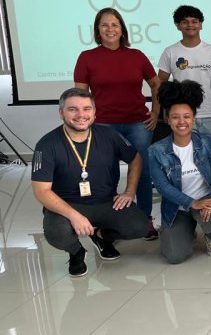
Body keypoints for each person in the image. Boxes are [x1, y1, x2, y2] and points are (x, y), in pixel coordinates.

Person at [31, 88, 149, 277]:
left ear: (94, 113)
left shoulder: (109, 135)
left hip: (106, 201)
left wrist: (129, 191)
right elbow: (41, 191)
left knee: (140, 227)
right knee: (56, 234)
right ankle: (76, 252)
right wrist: (74, 215)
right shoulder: (46, 145)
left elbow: (135, 158)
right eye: (73, 109)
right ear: (61, 113)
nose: (81, 115)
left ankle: (100, 236)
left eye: (86, 109)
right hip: (67, 205)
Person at [74, 7, 160, 239]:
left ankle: (145, 220)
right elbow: (80, 95)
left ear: (122, 29)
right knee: (106, 176)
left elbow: (156, 84)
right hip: (103, 126)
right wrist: (85, 120)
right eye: (104, 25)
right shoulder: (87, 58)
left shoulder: (137, 56)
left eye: (114, 24)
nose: (110, 29)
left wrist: (157, 110)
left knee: (142, 173)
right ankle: (110, 222)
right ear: (97, 30)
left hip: (138, 124)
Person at [149, 80, 211, 264]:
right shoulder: (156, 150)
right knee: (174, 256)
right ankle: (186, 227)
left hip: (207, 199)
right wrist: (192, 203)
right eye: (175, 117)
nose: (181, 122)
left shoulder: (209, 141)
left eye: (187, 116)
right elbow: (162, 186)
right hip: (178, 207)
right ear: (168, 119)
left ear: (193, 118)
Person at [157, 5, 211, 140]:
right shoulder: (170, 52)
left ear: (201, 25)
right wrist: (165, 109)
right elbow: (160, 84)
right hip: (183, 115)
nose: (190, 25)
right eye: (185, 22)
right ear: (178, 26)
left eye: (194, 21)